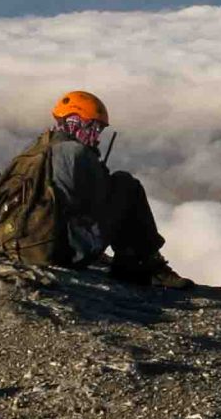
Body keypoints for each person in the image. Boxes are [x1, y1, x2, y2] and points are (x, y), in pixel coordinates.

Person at [44, 90, 190, 288]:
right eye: (94, 128)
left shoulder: (41, 147)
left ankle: (133, 261)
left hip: (34, 245)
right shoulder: (76, 154)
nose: (97, 136)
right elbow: (95, 202)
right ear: (80, 122)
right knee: (126, 184)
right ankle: (145, 263)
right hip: (66, 251)